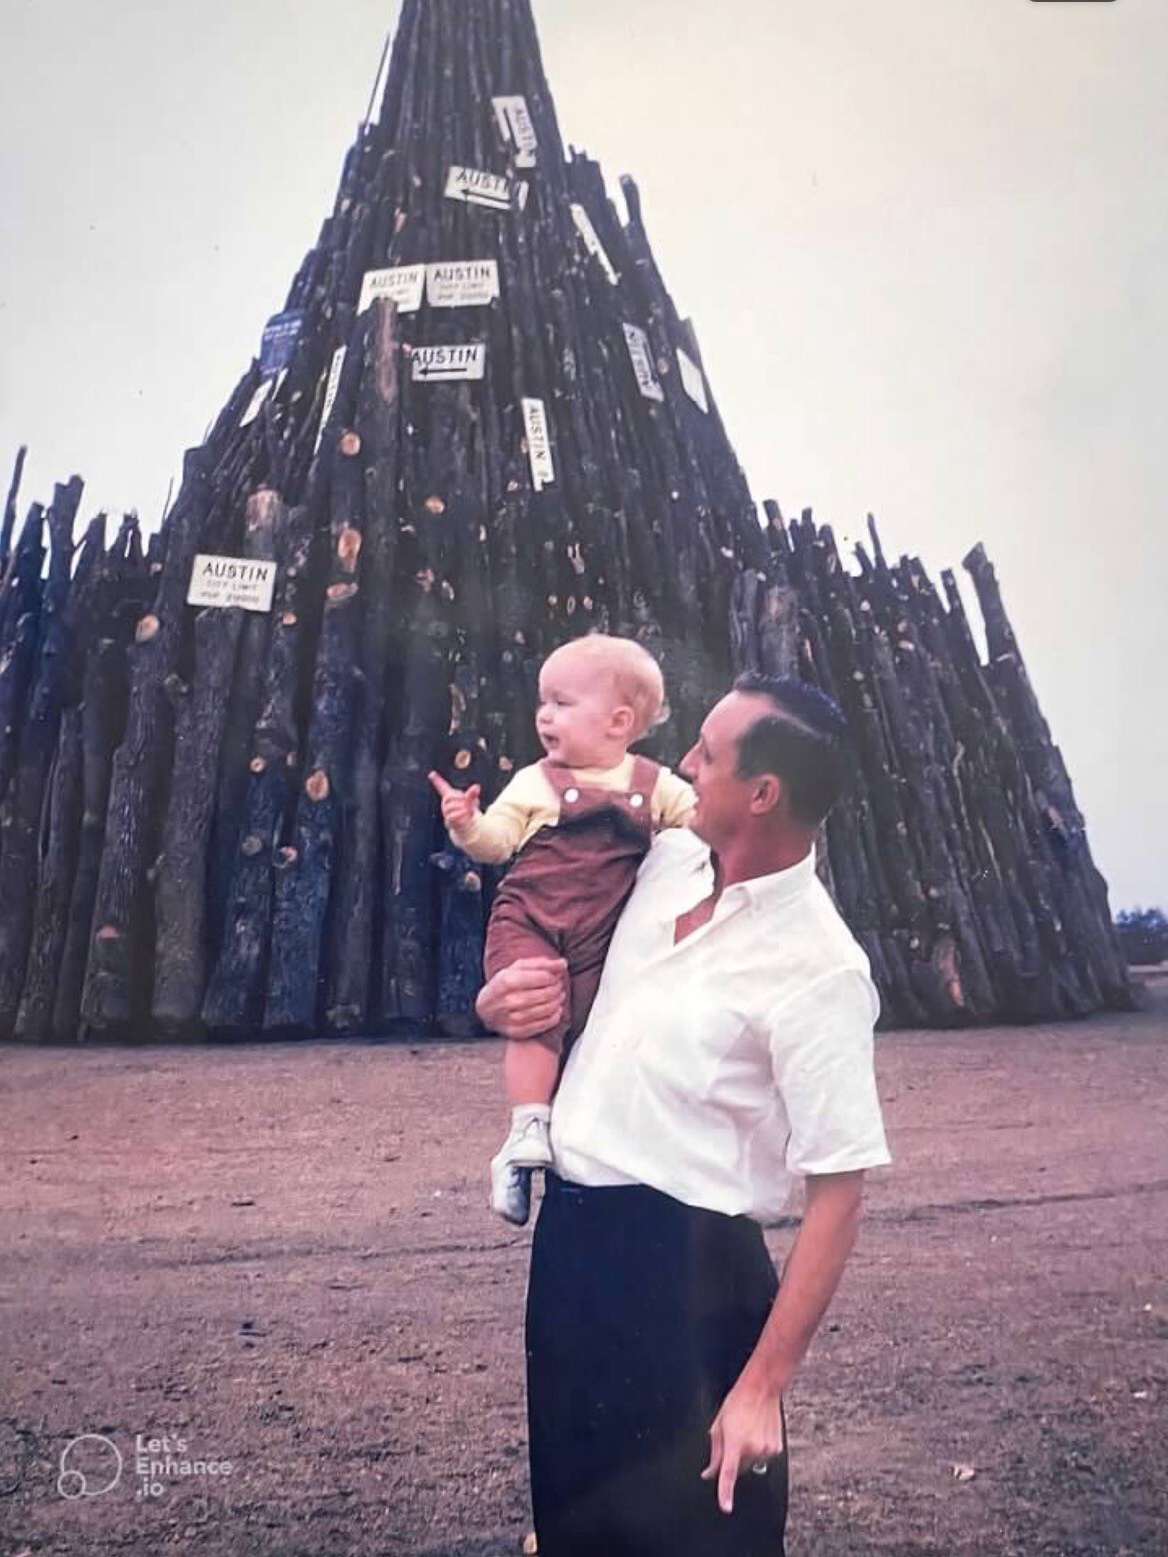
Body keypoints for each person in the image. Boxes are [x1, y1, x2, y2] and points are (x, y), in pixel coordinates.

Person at [476, 673, 892, 1556]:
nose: (684, 764)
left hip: (693, 1284)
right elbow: (546, 936)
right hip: (571, 1249)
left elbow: (839, 1193)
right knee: (577, 1526)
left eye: (706, 752)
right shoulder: (657, 863)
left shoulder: (820, 968)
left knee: (699, 1538)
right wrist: (501, 997)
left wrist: (760, 1387)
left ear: (762, 794)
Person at [429, 633, 694, 1225]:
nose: (544, 716)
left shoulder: (656, 785)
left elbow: (699, 827)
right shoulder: (535, 781)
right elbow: (497, 845)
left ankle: (565, 1149)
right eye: (542, 702)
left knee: (594, 1033)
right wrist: (467, 824)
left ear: (619, 721)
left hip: (604, 935)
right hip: (531, 920)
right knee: (537, 1011)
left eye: (562, 702)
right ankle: (526, 1128)